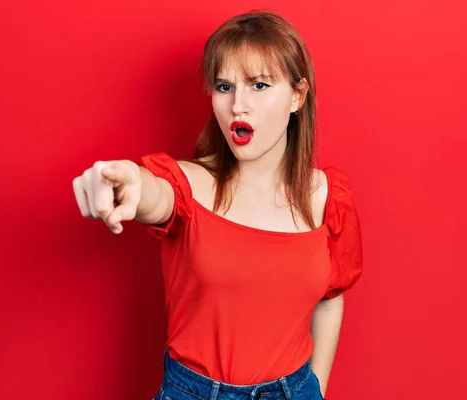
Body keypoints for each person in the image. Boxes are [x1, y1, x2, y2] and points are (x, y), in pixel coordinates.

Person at [72, 9, 363, 400]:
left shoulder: (328, 197)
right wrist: (124, 181)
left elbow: (330, 300)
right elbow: (154, 193)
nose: (238, 106)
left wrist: (317, 389)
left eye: (259, 85)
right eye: (224, 87)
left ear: (298, 95)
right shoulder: (187, 185)